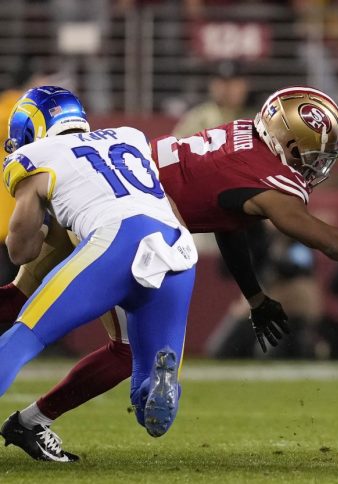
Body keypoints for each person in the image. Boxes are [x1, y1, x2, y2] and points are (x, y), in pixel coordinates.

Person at [0, 86, 338, 462]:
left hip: (106, 209)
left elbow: (227, 213)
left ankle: (34, 420)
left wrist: (255, 296)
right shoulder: (269, 181)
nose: (315, 165)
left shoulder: (240, 136)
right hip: (144, 232)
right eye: (309, 153)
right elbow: (326, 240)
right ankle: (44, 417)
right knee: (70, 332)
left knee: (31, 308)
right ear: (286, 142)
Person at [0, 86, 198, 458]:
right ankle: (156, 386)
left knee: (22, 339)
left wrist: (43, 227)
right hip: (177, 254)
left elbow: (19, 250)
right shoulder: (130, 138)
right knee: (143, 387)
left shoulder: (36, 156)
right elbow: (171, 209)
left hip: (117, 241)